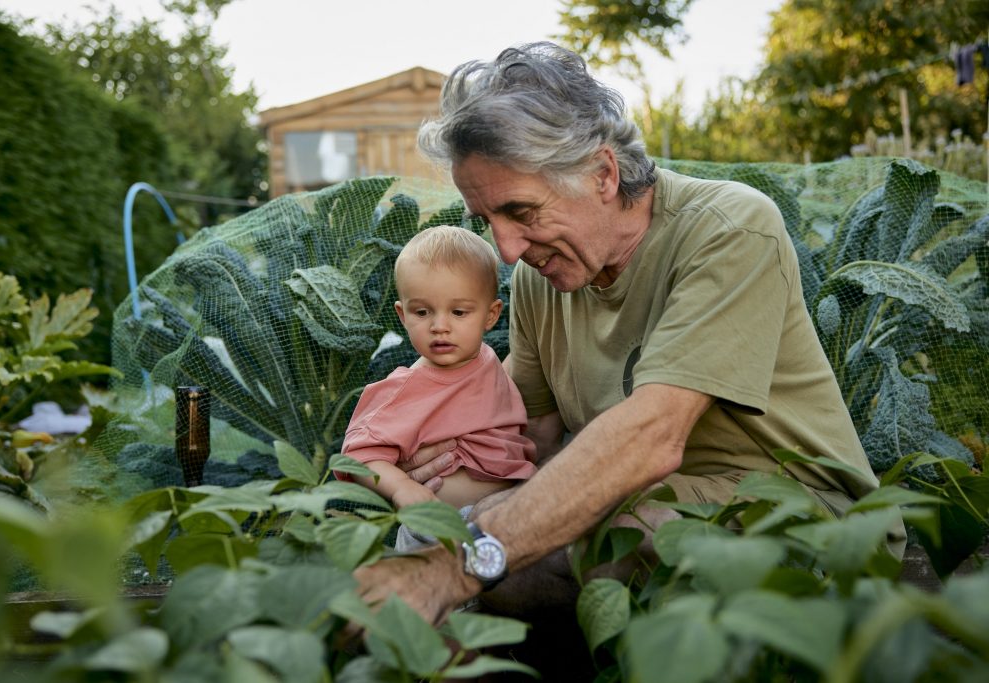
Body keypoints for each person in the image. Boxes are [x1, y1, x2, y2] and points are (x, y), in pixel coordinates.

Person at [353, 40, 904, 663]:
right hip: (648, 506)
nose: (505, 249)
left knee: (599, 536)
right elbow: (526, 428)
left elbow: (653, 436)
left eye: (520, 211)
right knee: (496, 538)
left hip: (806, 520)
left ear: (603, 174)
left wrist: (456, 567)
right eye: (486, 219)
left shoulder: (727, 229)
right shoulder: (542, 277)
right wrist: (437, 460)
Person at [336, 225, 537, 526]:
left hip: (511, 510)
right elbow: (357, 456)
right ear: (402, 315)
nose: (439, 326)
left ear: (491, 315)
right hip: (441, 528)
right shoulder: (406, 388)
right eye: (422, 312)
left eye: (458, 312)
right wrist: (401, 487)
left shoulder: (486, 359)